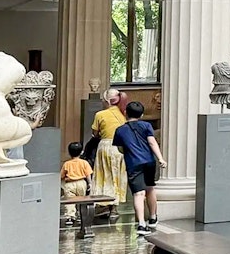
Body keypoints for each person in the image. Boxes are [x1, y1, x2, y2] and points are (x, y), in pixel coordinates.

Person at [112, 102, 167, 236]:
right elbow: (152, 142)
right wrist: (160, 158)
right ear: (141, 115)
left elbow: (119, 148)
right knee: (150, 188)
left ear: (125, 113)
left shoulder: (120, 130)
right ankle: (153, 217)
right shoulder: (146, 126)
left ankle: (141, 224)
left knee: (138, 194)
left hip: (133, 163)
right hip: (149, 161)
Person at [91, 89, 127, 219]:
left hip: (106, 146)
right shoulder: (124, 114)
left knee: (104, 176)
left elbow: (95, 133)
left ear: (107, 100)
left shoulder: (100, 114)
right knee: (117, 176)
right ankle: (114, 209)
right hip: (121, 148)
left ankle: (104, 204)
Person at [59, 141, 92, 226]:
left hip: (70, 184)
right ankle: (81, 217)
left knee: (70, 201)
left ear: (69, 153)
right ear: (81, 152)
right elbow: (88, 174)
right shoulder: (84, 163)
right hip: (81, 183)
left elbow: (61, 176)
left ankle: (70, 217)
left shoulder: (67, 164)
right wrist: (90, 184)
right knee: (81, 200)